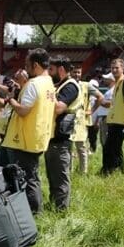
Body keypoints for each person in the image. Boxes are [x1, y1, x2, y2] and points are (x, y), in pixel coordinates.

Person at [2, 48, 56, 214]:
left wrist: (10, 99)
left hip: (25, 138)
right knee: (32, 176)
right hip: (38, 136)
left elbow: (23, 110)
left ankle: (33, 213)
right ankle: (35, 211)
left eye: (27, 65)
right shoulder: (49, 83)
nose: (25, 68)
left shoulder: (34, 84)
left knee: (27, 179)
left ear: (36, 65)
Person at [44, 57, 80, 211]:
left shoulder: (70, 86)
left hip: (61, 140)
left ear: (60, 70)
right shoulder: (61, 85)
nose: (49, 73)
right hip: (53, 138)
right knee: (52, 175)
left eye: (51, 70)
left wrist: (49, 95)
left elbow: (59, 108)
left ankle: (61, 210)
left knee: (60, 176)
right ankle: (54, 204)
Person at [101, 58, 124, 175]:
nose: (114, 70)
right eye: (112, 68)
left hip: (122, 122)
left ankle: (114, 171)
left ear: (123, 69)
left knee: (113, 147)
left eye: (117, 68)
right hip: (114, 121)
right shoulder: (118, 83)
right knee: (111, 147)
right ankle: (111, 170)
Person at [70, 68, 104, 173]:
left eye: (78, 72)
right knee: (68, 148)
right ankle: (68, 171)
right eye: (74, 72)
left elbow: (100, 97)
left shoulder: (86, 85)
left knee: (81, 147)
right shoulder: (67, 84)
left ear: (81, 73)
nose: (76, 74)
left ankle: (83, 172)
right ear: (70, 72)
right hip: (68, 119)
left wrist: (92, 110)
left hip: (81, 121)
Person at [92, 73, 115, 149]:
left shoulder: (113, 91)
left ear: (111, 80)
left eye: (106, 79)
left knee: (105, 139)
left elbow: (110, 104)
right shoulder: (110, 90)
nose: (104, 80)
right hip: (104, 117)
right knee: (103, 139)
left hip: (107, 117)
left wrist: (100, 101)